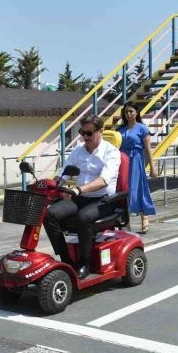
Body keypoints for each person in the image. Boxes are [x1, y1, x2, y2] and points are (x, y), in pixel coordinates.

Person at [43, 115, 120, 280]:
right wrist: (50, 184)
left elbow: (103, 180)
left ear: (101, 130)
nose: (85, 137)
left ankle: (84, 262)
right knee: (49, 214)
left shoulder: (111, 152)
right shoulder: (78, 150)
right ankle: (66, 261)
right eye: (82, 133)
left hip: (103, 200)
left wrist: (79, 189)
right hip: (80, 197)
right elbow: (64, 172)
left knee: (82, 218)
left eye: (89, 133)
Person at [118, 102, 157, 233]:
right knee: (123, 190)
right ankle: (126, 221)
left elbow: (148, 150)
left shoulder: (142, 128)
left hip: (136, 160)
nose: (128, 114)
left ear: (136, 113)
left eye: (131, 111)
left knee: (137, 188)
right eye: (126, 112)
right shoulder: (120, 129)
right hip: (122, 160)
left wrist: (152, 166)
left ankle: (144, 216)